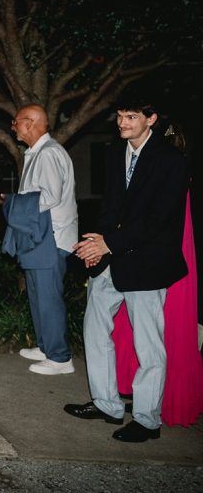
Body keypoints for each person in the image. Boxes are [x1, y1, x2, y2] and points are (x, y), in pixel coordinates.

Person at [66, 96, 189, 442]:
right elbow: (111, 205)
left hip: (148, 262)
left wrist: (108, 244)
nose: (122, 123)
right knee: (94, 325)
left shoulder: (171, 160)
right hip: (113, 258)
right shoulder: (115, 152)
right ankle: (107, 403)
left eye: (130, 116)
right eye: (119, 116)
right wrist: (96, 246)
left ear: (151, 119)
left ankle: (148, 420)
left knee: (148, 344)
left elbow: (157, 221)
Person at [111, 123, 203, 428]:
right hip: (145, 261)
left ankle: (149, 411)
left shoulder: (173, 174)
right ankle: (139, 399)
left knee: (154, 336)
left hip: (161, 260)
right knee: (148, 332)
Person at [3, 104, 78, 375]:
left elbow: (49, 196)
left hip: (51, 237)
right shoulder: (37, 153)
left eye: (16, 122)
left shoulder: (48, 154)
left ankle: (60, 358)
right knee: (37, 296)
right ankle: (47, 346)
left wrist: (14, 203)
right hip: (41, 235)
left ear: (30, 123)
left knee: (48, 298)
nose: (13, 127)